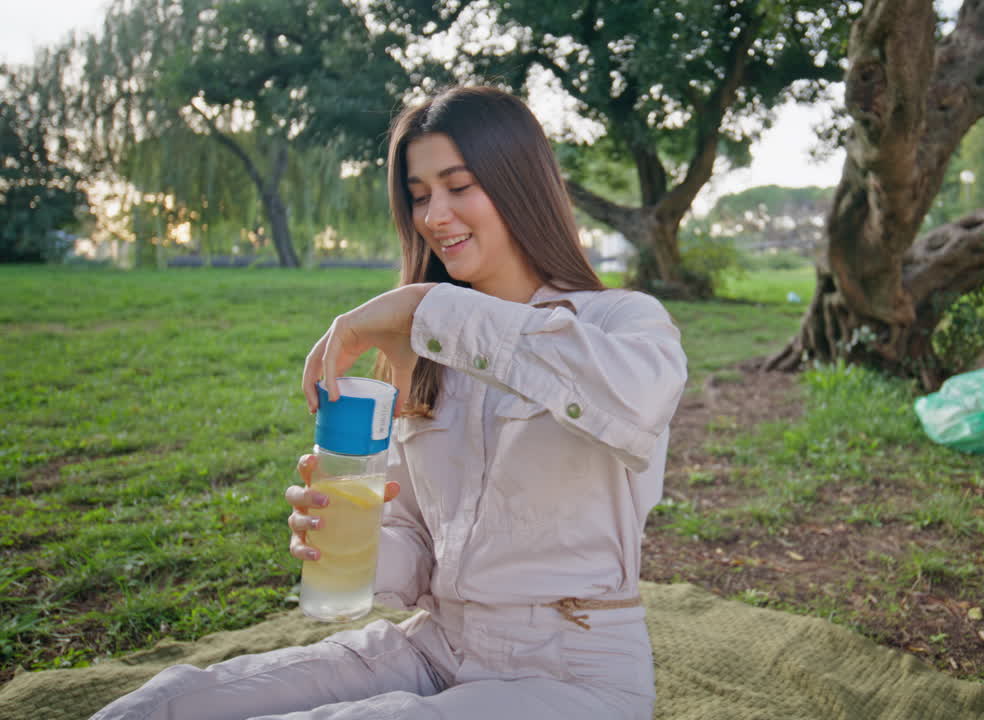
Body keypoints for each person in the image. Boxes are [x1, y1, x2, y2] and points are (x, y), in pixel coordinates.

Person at [91, 86, 687, 720]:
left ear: (520, 185)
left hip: (572, 670)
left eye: (459, 186)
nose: (434, 215)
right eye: (420, 194)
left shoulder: (620, 320)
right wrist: (347, 536)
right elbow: (417, 546)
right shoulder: (422, 354)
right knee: (169, 702)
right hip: (433, 646)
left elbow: (636, 405)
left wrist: (424, 307)